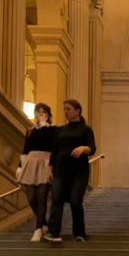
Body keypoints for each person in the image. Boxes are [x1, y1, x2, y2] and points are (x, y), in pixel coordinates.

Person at [43, 98, 96, 243]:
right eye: (64, 109)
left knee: (75, 201)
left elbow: (93, 148)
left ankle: (79, 233)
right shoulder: (60, 130)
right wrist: (50, 170)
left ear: (77, 111)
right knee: (57, 199)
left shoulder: (85, 129)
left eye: (68, 109)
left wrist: (83, 148)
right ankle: (53, 232)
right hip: (60, 171)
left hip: (79, 171)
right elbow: (55, 152)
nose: (65, 112)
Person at [16, 103, 56, 242]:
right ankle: (43, 223)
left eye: (43, 111)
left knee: (42, 196)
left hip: (46, 162)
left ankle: (38, 229)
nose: (40, 113)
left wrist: (46, 127)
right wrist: (20, 166)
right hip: (31, 162)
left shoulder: (53, 130)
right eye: (38, 111)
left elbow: (54, 148)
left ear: (49, 114)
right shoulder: (30, 131)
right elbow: (25, 149)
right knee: (31, 196)